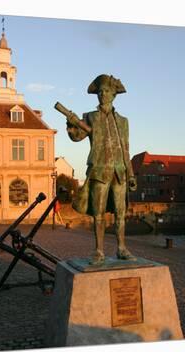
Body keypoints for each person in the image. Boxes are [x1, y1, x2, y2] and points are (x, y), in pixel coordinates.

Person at [66, 74, 137, 264]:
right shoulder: (90, 117)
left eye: (106, 91)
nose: (103, 94)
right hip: (99, 171)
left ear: (114, 94)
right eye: (100, 91)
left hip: (120, 172)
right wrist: (71, 123)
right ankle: (99, 251)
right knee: (98, 215)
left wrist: (131, 174)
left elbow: (126, 148)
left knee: (121, 214)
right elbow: (76, 137)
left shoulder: (123, 121)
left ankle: (122, 248)